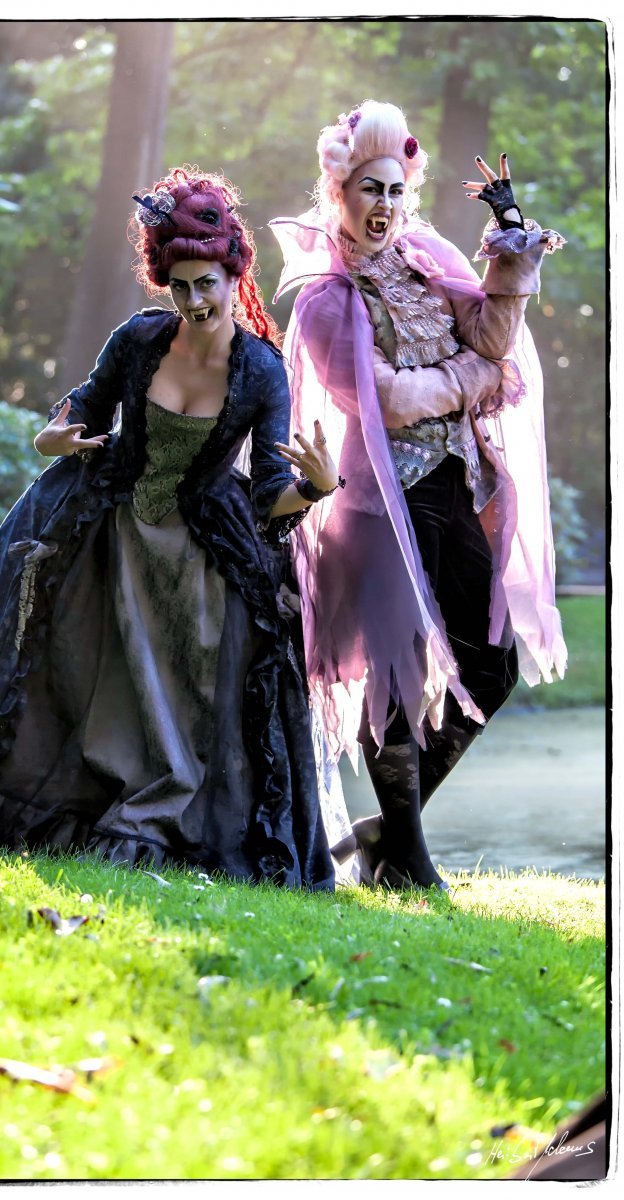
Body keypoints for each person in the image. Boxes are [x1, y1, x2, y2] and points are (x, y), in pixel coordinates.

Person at [0, 167, 342, 890]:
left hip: (200, 553)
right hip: (109, 534)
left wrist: (317, 487)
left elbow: (272, 493)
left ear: (233, 276)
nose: (195, 301)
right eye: (180, 287)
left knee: (186, 696)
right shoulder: (140, 339)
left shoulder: (261, 370)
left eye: (206, 284)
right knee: (86, 676)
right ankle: (85, 811)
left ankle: (166, 818)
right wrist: (51, 440)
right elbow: (81, 409)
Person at [270, 101, 566, 890]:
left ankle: (388, 831)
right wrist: (472, 376)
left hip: (451, 488)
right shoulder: (324, 297)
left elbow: (494, 339)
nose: (386, 205)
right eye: (371, 189)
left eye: (397, 191)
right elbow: (390, 400)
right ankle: (408, 860)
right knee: (395, 682)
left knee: (493, 665)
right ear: (339, 192)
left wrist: (509, 250)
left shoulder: (428, 255)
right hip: (377, 505)